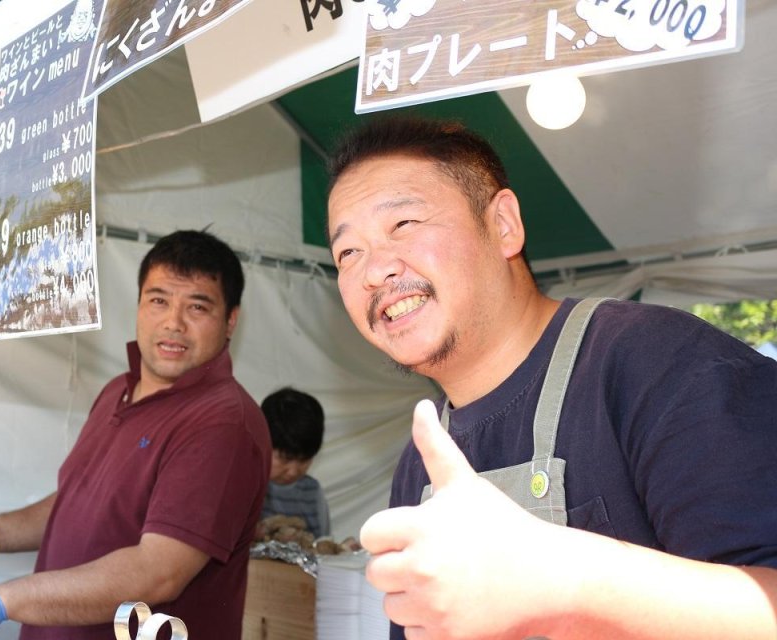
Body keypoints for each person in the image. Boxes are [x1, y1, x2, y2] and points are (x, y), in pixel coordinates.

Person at [326, 116, 777, 639]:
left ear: (503, 225)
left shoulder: (658, 361)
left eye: (402, 224)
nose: (373, 270)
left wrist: (563, 585)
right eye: (347, 253)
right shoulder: (422, 463)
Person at [0, 230, 272, 640]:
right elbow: (79, 501)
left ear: (230, 321)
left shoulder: (222, 422)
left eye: (198, 307)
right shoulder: (119, 389)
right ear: (138, 305)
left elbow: (158, 573)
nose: (174, 322)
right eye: (159, 300)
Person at [260, 387, 331, 538]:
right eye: (285, 459)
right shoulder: (244, 484)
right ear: (261, 442)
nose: (293, 471)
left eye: (304, 460)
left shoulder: (312, 491)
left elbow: (322, 542)